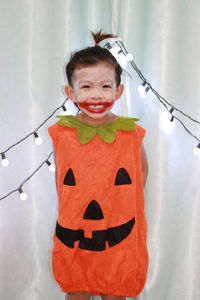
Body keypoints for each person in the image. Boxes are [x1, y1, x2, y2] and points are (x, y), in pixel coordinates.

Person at [48, 30, 149, 300]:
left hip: (117, 225)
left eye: (105, 86)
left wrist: (123, 200)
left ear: (118, 90)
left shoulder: (130, 134)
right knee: (77, 288)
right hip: (76, 229)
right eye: (86, 86)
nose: (96, 95)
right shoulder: (62, 133)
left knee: (114, 290)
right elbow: (63, 178)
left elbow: (141, 171)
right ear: (71, 92)